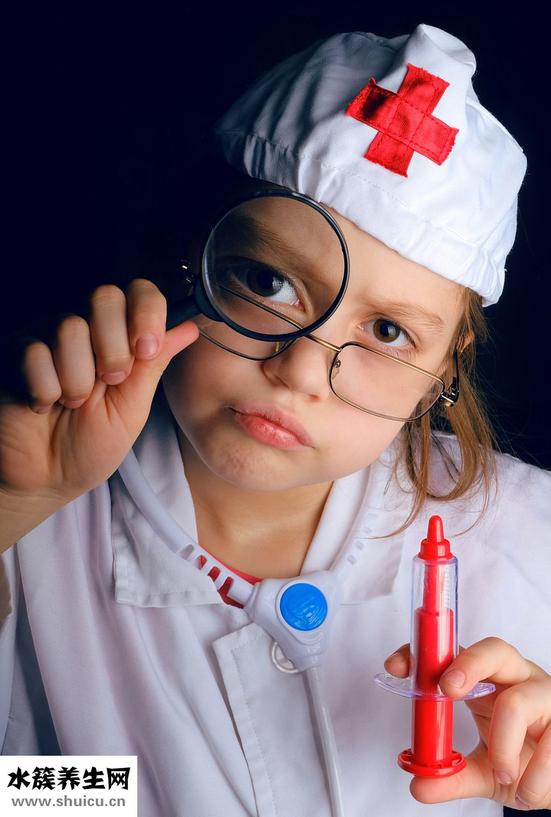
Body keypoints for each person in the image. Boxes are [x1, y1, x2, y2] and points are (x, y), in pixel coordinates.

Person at [1, 21, 550, 817]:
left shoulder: (530, 536)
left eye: (386, 331)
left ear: (445, 365)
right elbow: (16, 787)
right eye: (268, 282)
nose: (297, 371)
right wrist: (15, 501)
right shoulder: (28, 530)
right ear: (190, 255)